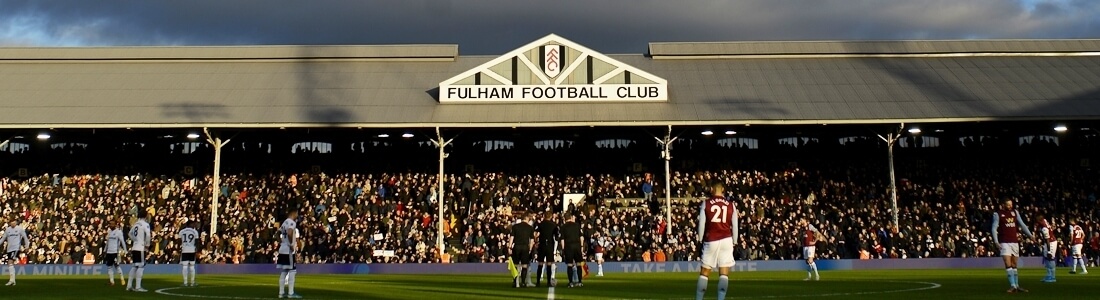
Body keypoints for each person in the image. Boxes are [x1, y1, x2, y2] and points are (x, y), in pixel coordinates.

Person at [696, 183, 738, 300]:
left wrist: (700, 239)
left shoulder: (707, 203)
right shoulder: (731, 205)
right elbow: (735, 225)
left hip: (712, 239)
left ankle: (699, 298)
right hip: (727, 239)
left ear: (712, 189)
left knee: (705, 271)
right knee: (724, 271)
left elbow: (702, 224)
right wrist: (734, 241)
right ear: (723, 190)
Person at [991, 199, 1033, 293]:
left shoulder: (1015, 212)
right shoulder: (998, 214)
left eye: (1011, 204)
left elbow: (1022, 225)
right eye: (1008, 205)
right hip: (1004, 242)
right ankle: (1012, 285)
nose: (1010, 206)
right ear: (1003, 205)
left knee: (1014, 265)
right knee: (1007, 263)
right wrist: (996, 241)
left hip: (1014, 242)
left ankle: (1017, 286)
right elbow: (994, 228)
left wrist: (1030, 235)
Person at [278, 210, 301, 299]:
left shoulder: (284, 223)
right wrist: (291, 244)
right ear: (293, 213)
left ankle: (281, 293)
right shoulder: (292, 223)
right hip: (288, 250)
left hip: (282, 249)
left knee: (284, 271)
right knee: (292, 271)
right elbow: (290, 232)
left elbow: (277, 234)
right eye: (297, 214)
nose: (297, 215)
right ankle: (291, 293)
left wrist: (282, 242)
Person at [126, 210, 152, 292]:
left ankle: (129, 286)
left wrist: (135, 240)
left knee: (134, 266)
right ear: (145, 216)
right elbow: (148, 235)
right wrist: (147, 245)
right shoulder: (145, 224)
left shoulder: (136, 224)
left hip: (135, 247)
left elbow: (130, 234)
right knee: (141, 266)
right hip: (141, 248)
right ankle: (138, 287)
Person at [509, 213, 536, 288]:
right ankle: (523, 282)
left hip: (517, 246)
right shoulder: (530, 228)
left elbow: (512, 237)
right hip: (525, 247)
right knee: (524, 265)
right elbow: (532, 240)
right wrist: (530, 249)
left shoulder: (515, 227)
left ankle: (515, 281)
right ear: (527, 219)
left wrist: (509, 247)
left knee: (515, 265)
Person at [559, 213, 585, 288]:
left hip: (569, 246)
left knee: (570, 264)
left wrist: (563, 249)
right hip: (577, 246)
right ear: (571, 217)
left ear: (564, 219)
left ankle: (570, 282)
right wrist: (582, 246)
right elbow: (581, 237)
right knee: (578, 264)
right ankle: (580, 282)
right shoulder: (576, 225)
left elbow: (562, 239)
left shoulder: (563, 227)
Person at [535, 211, 559, 287]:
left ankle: (538, 282)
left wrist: (536, 242)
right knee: (549, 264)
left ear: (544, 216)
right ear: (551, 216)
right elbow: (557, 237)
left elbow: (536, 234)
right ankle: (548, 282)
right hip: (549, 246)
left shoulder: (540, 224)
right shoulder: (554, 225)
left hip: (542, 245)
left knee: (540, 264)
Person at [4, 219, 30, 286]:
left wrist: (27, 246)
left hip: (16, 248)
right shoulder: (8, 230)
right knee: (10, 263)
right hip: (9, 248)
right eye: (11, 223)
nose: (13, 224)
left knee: (10, 261)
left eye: (14, 222)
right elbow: (3, 238)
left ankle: (11, 280)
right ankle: (13, 280)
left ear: (15, 223)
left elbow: (25, 237)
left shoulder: (19, 229)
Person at [1035, 215, 1057, 282]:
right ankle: (1048, 275)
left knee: (1050, 258)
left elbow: (1047, 240)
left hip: (1051, 242)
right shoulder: (1044, 221)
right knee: (1046, 258)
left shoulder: (1044, 229)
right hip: (1048, 242)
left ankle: (1053, 277)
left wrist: (1049, 251)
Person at [178, 220, 200, 286]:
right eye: (193, 224)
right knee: (192, 266)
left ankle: (185, 282)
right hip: (192, 250)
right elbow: (196, 242)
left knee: (184, 266)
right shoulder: (195, 232)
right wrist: (197, 250)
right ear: (191, 224)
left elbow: (179, 241)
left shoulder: (182, 231)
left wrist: (181, 247)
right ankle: (192, 282)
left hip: (184, 249)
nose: (194, 225)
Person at [105, 220, 126, 286]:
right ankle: (112, 281)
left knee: (116, 266)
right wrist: (105, 250)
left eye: (112, 224)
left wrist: (125, 250)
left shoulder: (118, 232)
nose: (111, 225)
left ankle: (122, 279)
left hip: (115, 252)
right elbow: (108, 242)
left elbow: (122, 241)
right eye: (110, 224)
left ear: (115, 225)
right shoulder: (109, 232)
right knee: (109, 266)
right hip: (109, 252)